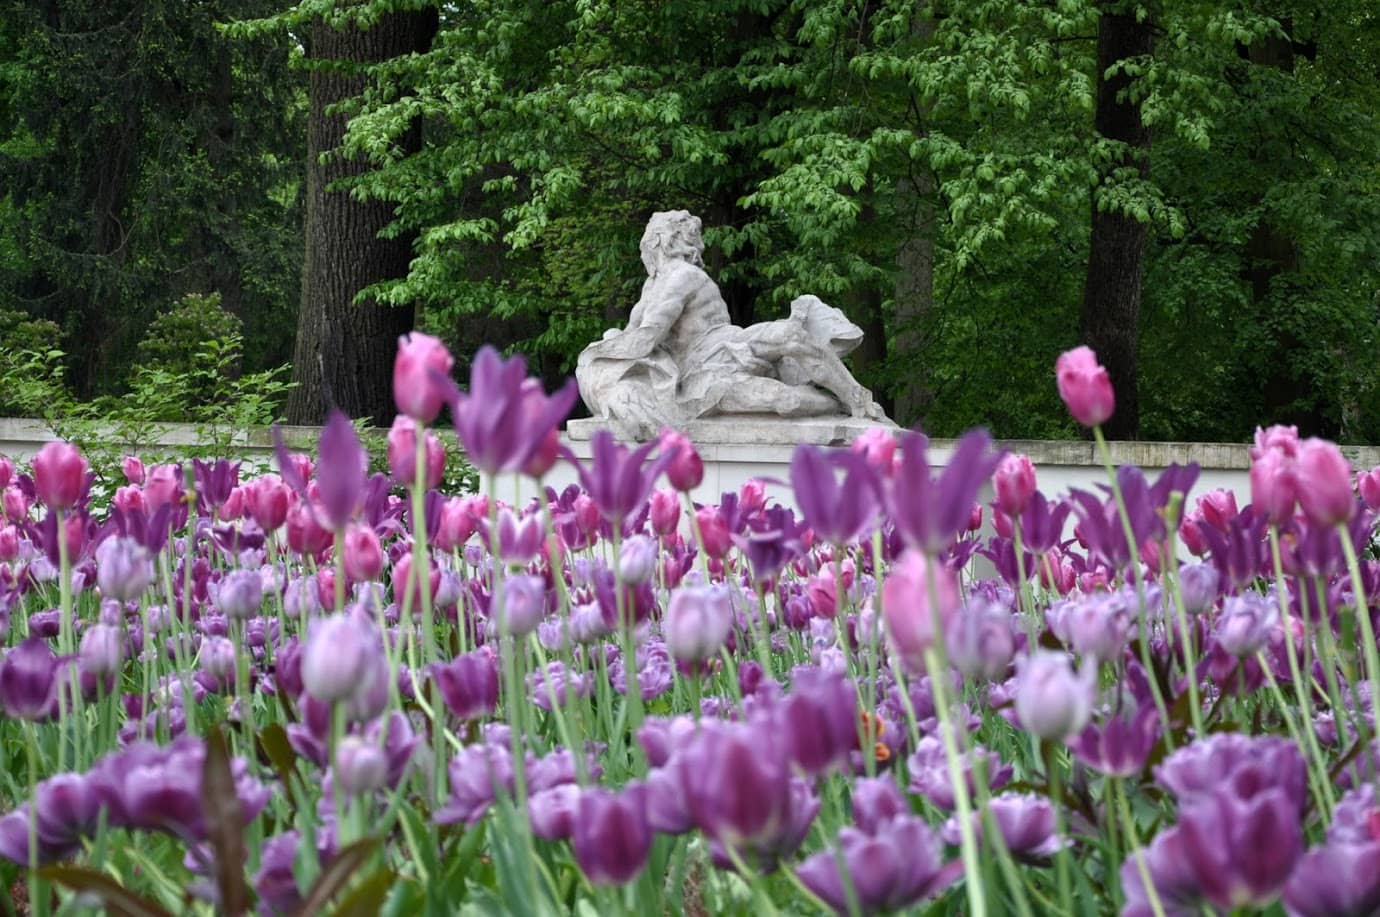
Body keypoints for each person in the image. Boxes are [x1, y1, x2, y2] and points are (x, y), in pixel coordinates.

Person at [577, 211, 887, 435]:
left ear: (656, 240)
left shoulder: (682, 275)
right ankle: (838, 404)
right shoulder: (653, 285)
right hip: (700, 375)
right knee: (784, 400)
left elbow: (646, 337)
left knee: (790, 334)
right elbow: (638, 338)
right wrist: (608, 348)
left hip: (724, 344)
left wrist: (596, 353)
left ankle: (857, 398)